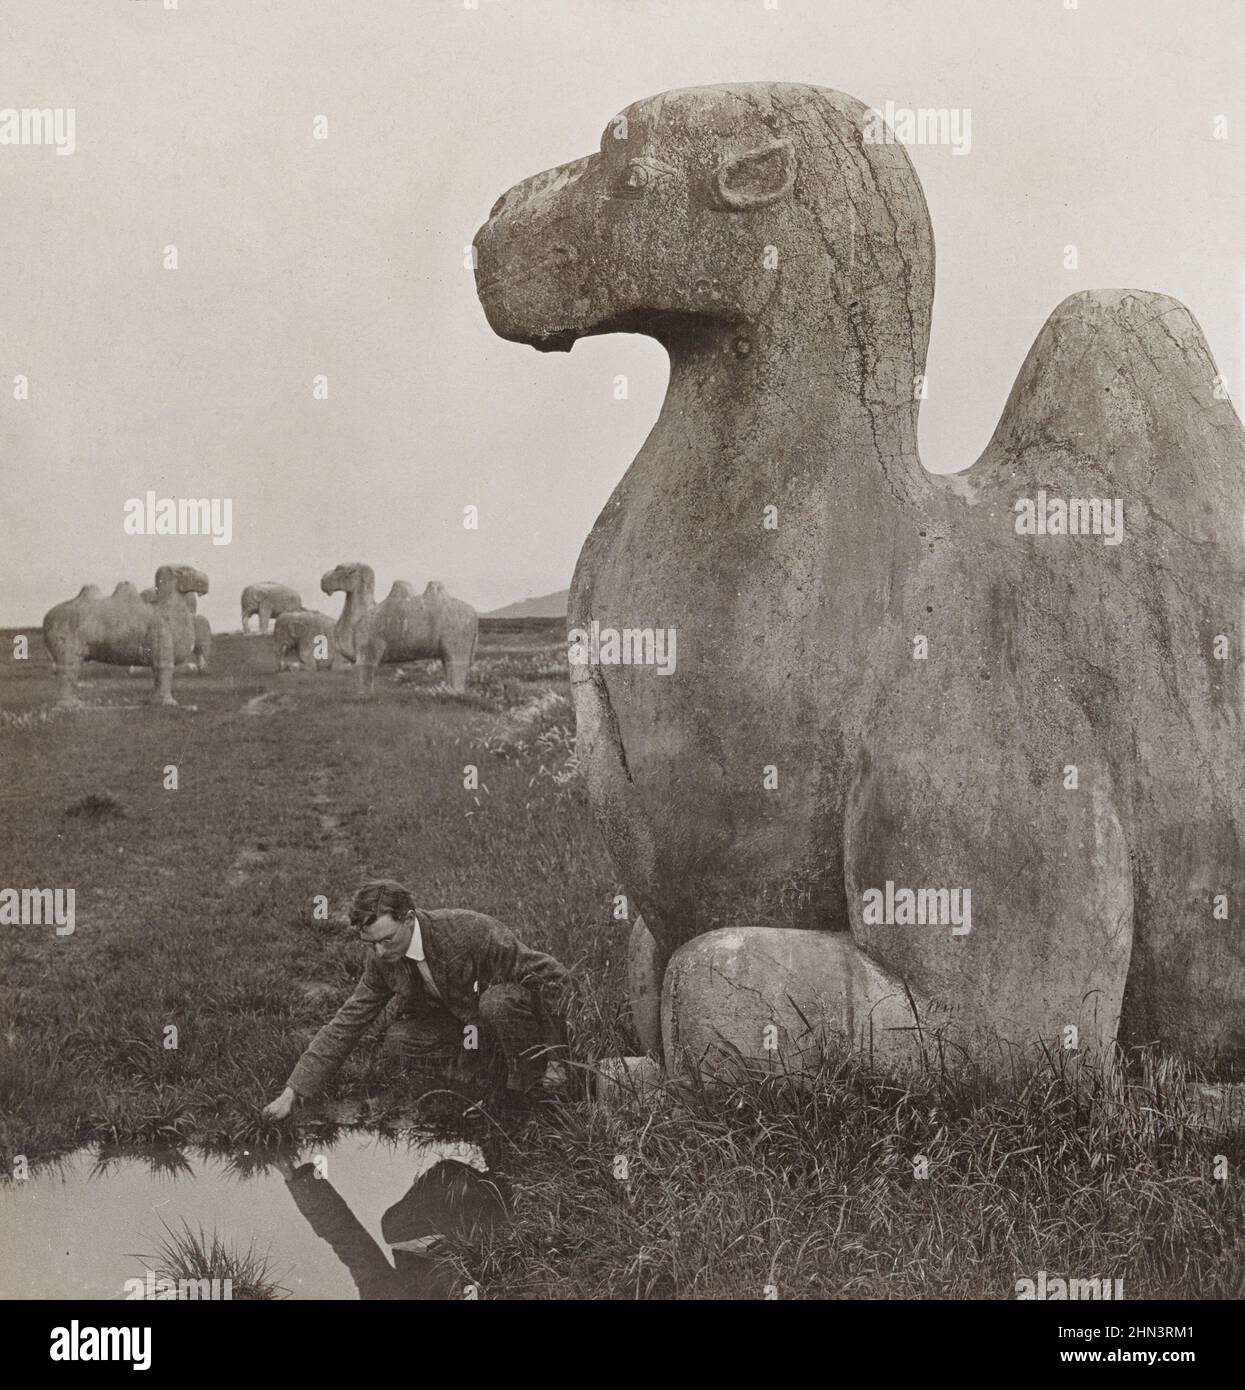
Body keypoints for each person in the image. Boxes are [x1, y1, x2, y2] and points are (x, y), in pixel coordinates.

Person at [263, 879, 571, 1119]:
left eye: (387, 939)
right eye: (371, 944)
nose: (381, 952)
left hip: (513, 1018)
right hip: (470, 1026)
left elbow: (555, 978)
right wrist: (293, 1091)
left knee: (497, 1003)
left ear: (409, 918)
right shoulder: (382, 960)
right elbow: (346, 1023)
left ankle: (528, 1093)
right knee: (399, 1039)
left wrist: (558, 1059)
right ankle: (487, 1073)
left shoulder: (471, 931)